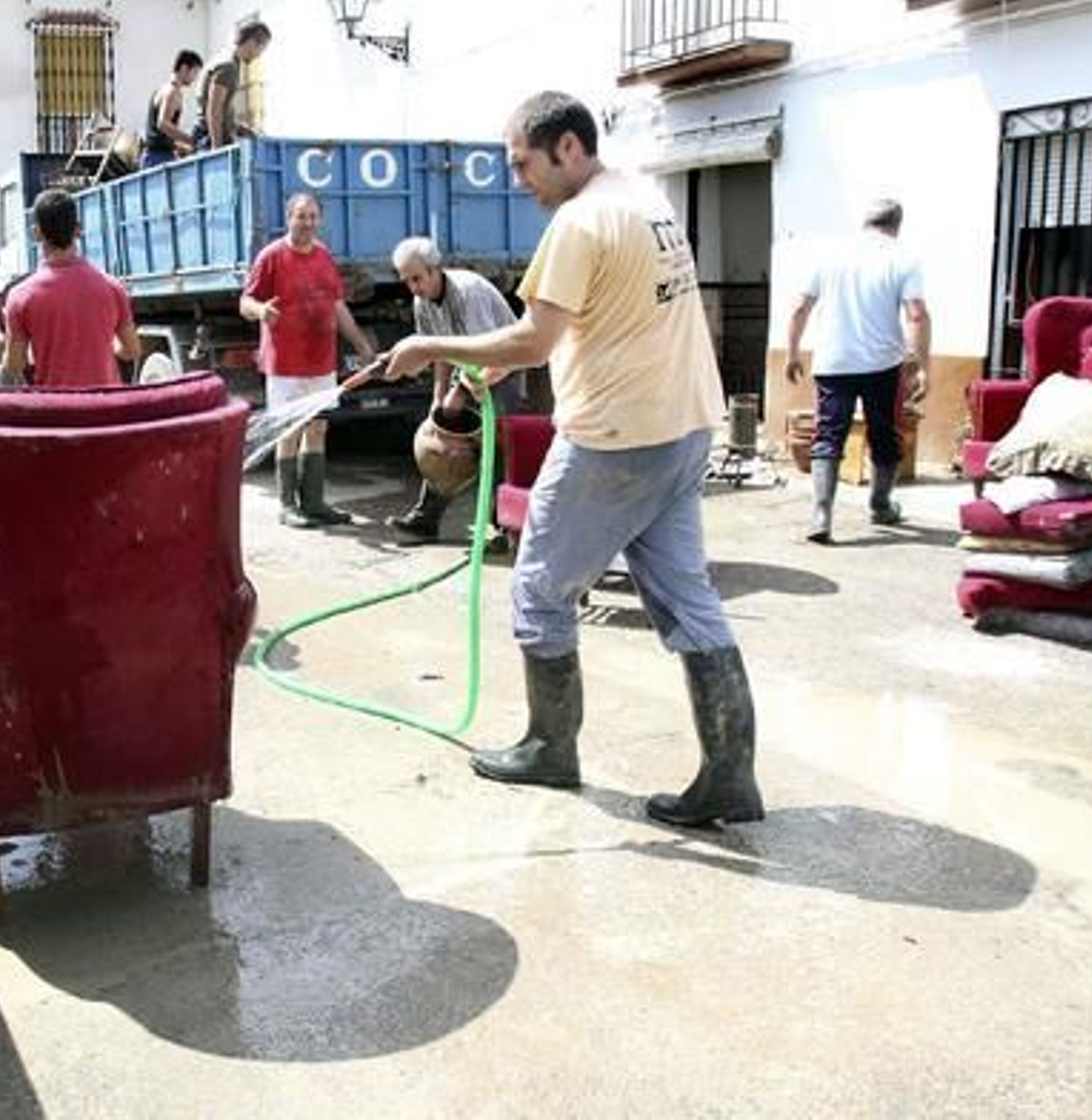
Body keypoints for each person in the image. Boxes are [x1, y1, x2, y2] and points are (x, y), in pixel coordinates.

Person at [382, 91, 763, 828]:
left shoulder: (579, 222)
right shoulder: (644, 198)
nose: (517, 179)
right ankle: (730, 776)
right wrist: (483, 366)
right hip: (683, 428)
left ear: (566, 149)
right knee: (690, 601)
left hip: (615, 440)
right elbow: (608, 316)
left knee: (538, 590)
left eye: (523, 163)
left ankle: (550, 749)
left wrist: (429, 346)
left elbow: (533, 341)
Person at [784, 198, 931, 543]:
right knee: (885, 436)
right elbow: (917, 315)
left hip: (833, 363)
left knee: (828, 437)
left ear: (864, 223)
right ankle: (880, 504)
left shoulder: (830, 256)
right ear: (897, 225)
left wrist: (792, 351)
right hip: (884, 365)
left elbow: (800, 306)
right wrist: (922, 366)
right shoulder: (903, 258)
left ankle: (821, 515)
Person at [241, 191, 376, 528]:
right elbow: (245, 302)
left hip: (321, 362)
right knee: (289, 429)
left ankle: (314, 503)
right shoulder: (271, 256)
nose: (307, 222)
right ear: (289, 218)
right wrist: (262, 311)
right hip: (285, 363)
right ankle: (288, 506)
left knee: (318, 428)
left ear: (320, 219)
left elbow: (336, 305)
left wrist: (361, 343)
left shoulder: (323, 257)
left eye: (313, 216)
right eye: (301, 216)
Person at [388, 236, 529, 543]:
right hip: (470, 370)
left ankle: (506, 528)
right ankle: (425, 520)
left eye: (417, 278)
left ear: (435, 269)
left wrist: (460, 391)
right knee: (444, 439)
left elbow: (490, 354)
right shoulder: (421, 302)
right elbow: (438, 352)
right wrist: (438, 401)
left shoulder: (468, 292)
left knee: (498, 449)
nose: (413, 287)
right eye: (406, 281)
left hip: (503, 368)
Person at [2, 188, 140, 387]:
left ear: (37, 233)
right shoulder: (112, 287)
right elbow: (132, 350)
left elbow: (14, 365)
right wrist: (105, 350)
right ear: (78, 229)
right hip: (105, 409)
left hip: (57, 410)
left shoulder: (20, 296)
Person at [194, 21, 272, 151]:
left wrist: (239, 128)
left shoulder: (224, 58)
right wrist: (216, 148)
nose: (258, 56)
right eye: (261, 50)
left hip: (206, 136)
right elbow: (214, 109)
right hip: (209, 140)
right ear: (252, 43)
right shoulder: (228, 66)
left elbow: (219, 110)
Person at [141, 50, 203, 170]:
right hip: (159, 159)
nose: (195, 78)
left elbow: (159, 135)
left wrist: (180, 147)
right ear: (184, 68)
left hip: (154, 157)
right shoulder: (172, 92)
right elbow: (163, 124)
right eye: (195, 72)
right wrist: (191, 140)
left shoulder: (163, 89)